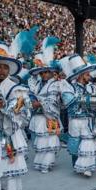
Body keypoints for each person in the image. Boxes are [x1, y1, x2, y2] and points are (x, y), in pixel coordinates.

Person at [0, 41, 30, 190]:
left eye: (5, 67)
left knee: (9, 161)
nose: (1, 70)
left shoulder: (15, 87)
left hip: (8, 132)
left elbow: (21, 111)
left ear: (9, 70)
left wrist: (5, 107)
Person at [61, 54, 96, 177]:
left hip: (88, 120)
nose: (90, 76)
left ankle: (87, 167)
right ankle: (77, 165)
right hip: (74, 120)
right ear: (80, 75)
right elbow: (68, 101)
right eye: (87, 74)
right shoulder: (68, 86)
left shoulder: (92, 87)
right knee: (75, 143)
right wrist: (87, 100)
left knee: (88, 141)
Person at [28, 37, 63, 173]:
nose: (44, 74)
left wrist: (39, 102)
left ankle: (47, 163)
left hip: (51, 117)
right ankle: (40, 162)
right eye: (42, 72)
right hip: (38, 118)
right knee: (41, 141)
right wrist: (32, 101)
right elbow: (30, 96)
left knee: (51, 140)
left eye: (46, 72)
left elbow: (54, 101)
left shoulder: (55, 84)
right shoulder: (36, 84)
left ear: (51, 72)